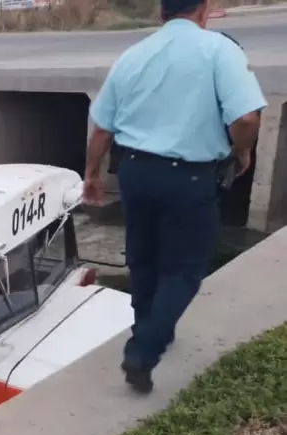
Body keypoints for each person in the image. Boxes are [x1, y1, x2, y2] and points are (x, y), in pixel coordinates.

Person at [83, 0, 266, 394]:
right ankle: (144, 349)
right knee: (183, 269)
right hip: (188, 177)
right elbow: (247, 118)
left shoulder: (132, 55)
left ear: (160, 13)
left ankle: (147, 326)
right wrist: (241, 150)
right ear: (204, 10)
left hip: (133, 171)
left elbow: (101, 128)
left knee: (143, 257)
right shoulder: (219, 50)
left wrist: (91, 174)